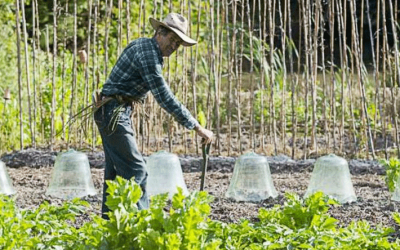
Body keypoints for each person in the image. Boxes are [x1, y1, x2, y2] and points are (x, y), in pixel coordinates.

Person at [94, 13, 214, 219]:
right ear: (160, 32)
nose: (174, 47)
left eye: (178, 43)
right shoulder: (148, 53)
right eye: (172, 40)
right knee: (136, 169)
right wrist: (197, 127)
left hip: (112, 110)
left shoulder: (145, 47)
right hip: (112, 111)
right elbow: (164, 96)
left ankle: (108, 227)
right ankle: (142, 226)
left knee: (115, 173)